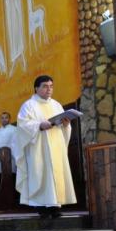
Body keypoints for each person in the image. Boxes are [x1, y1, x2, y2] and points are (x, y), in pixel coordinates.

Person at [14, 75, 76, 218]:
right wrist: (39, 125)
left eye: (51, 86)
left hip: (56, 146)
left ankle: (55, 206)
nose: (49, 89)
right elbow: (22, 126)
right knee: (40, 174)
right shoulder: (29, 105)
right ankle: (41, 206)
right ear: (36, 88)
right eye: (45, 86)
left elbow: (64, 128)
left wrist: (66, 125)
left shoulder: (56, 105)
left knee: (56, 175)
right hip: (38, 148)